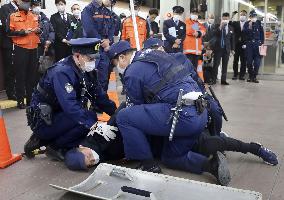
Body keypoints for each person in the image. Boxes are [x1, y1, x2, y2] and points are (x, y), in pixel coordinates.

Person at [108, 40, 208, 174]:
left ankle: (148, 165)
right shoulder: (155, 54)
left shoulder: (132, 71)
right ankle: (211, 165)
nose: (117, 69)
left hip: (183, 116)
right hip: (200, 114)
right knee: (171, 158)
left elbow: (135, 108)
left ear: (122, 57)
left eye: (115, 65)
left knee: (124, 117)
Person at [23, 38, 118, 158]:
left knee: (89, 119)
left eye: (94, 59)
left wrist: (117, 115)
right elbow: (71, 107)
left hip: (60, 115)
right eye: (90, 58)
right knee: (86, 122)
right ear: (78, 56)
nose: (93, 62)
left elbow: (99, 96)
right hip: (44, 121)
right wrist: (95, 126)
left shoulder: (86, 70)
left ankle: (53, 138)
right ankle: (54, 146)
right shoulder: (62, 72)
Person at [7, 0, 40, 108]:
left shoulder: (33, 15)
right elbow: (8, 32)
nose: (26, 4)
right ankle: (20, 101)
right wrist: (22, 32)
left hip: (33, 48)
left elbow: (39, 29)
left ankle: (30, 100)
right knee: (20, 75)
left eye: (28, 2)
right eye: (24, 2)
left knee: (32, 76)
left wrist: (39, 30)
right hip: (20, 48)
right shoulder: (12, 16)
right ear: (19, 4)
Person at [81, 0, 120, 91]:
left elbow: (112, 27)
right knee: (91, 78)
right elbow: (89, 29)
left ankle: (102, 101)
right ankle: (92, 103)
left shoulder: (107, 11)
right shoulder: (88, 10)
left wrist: (109, 40)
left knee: (104, 79)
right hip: (93, 49)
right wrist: (102, 42)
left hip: (105, 50)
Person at [0, 0, 18, 100]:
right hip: (9, 43)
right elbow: (7, 26)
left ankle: (20, 90)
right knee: (10, 69)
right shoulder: (5, 8)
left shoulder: (24, 8)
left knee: (19, 67)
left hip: (21, 43)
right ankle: (11, 92)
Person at [212, 12, 235, 85]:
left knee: (225, 65)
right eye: (224, 19)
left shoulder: (231, 28)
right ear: (221, 19)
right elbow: (214, 34)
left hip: (226, 49)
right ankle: (213, 79)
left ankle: (223, 80)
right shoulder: (217, 26)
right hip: (218, 49)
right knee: (216, 64)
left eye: (226, 19)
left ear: (228, 19)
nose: (225, 20)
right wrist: (220, 27)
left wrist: (232, 49)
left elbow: (232, 39)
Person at [31, 0, 55, 67]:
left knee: (46, 68)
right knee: (35, 69)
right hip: (36, 49)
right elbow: (32, 33)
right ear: (31, 7)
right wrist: (44, 42)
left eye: (38, 5)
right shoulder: (29, 17)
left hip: (47, 48)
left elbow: (52, 31)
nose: (37, 7)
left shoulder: (45, 17)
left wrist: (49, 40)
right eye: (34, 6)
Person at [243, 10, 264, 83]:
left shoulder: (259, 23)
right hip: (249, 45)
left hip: (257, 45)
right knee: (249, 62)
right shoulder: (246, 24)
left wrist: (262, 43)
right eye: (252, 16)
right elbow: (244, 33)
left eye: (254, 16)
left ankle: (254, 76)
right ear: (250, 17)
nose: (253, 18)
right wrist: (249, 27)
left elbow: (262, 34)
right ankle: (250, 75)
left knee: (257, 63)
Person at [231, 10, 247, 80]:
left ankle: (242, 75)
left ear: (246, 16)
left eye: (243, 15)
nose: (242, 16)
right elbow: (229, 23)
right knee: (235, 60)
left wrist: (246, 44)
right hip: (237, 45)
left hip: (244, 45)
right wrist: (232, 16)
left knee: (243, 60)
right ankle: (235, 74)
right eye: (241, 15)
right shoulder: (235, 23)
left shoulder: (247, 24)